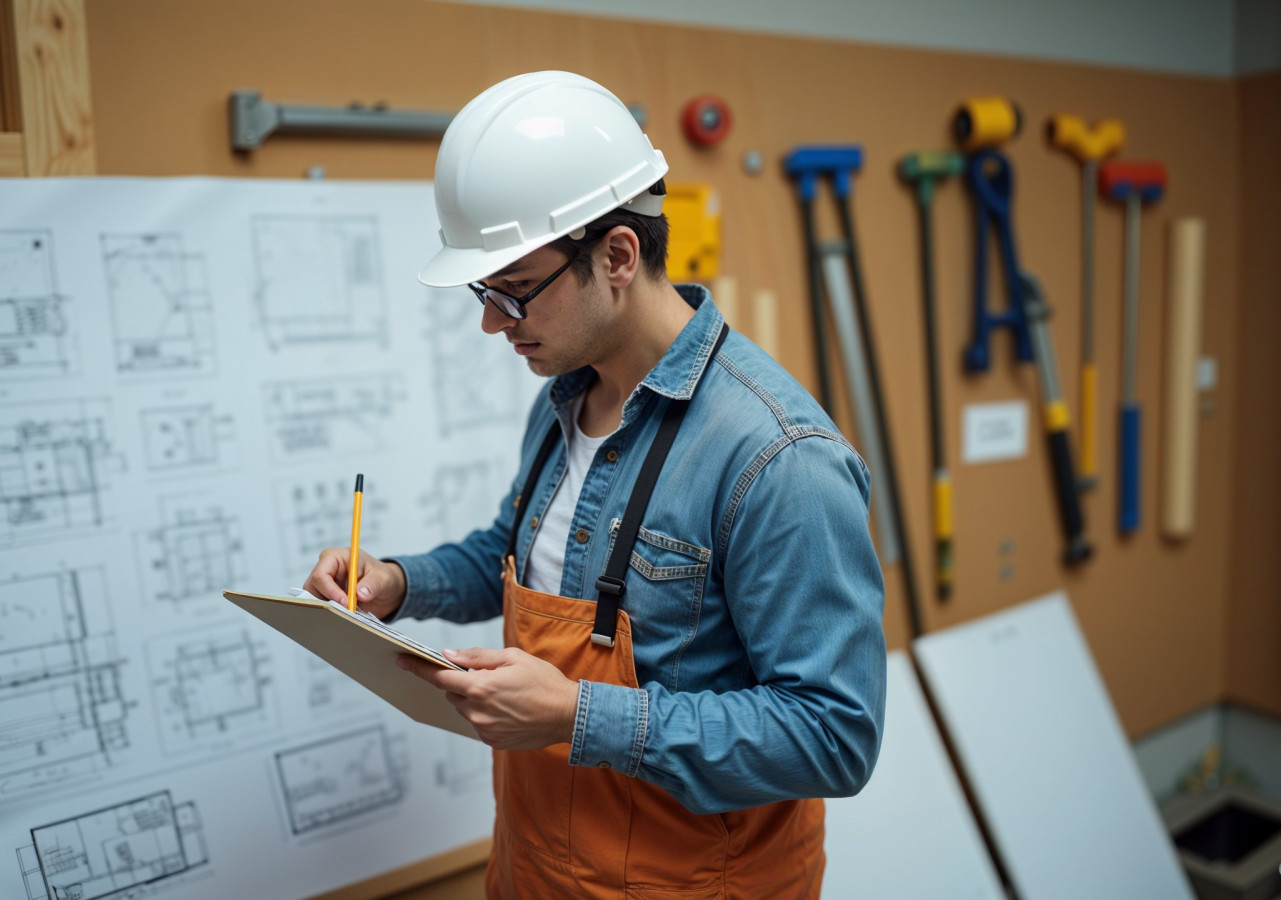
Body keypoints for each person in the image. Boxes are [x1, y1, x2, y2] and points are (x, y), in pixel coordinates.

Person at [304, 70, 886, 899]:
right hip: (538, 868)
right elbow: (514, 554)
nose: (491, 323)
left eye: (513, 292)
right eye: (486, 292)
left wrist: (581, 717)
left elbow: (835, 735)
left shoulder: (779, 458)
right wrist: (397, 583)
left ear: (617, 256)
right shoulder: (562, 400)